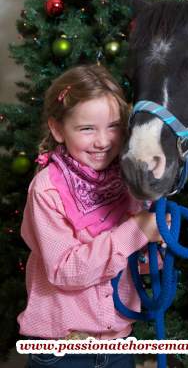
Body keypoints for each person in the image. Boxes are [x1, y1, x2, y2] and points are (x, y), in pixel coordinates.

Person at [17, 64, 165, 368]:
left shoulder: (129, 183)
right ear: (58, 130)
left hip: (118, 343)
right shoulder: (47, 189)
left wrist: (156, 237)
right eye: (87, 129)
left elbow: (139, 264)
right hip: (62, 351)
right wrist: (134, 230)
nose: (103, 141)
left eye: (113, 126)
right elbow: (65, 269)